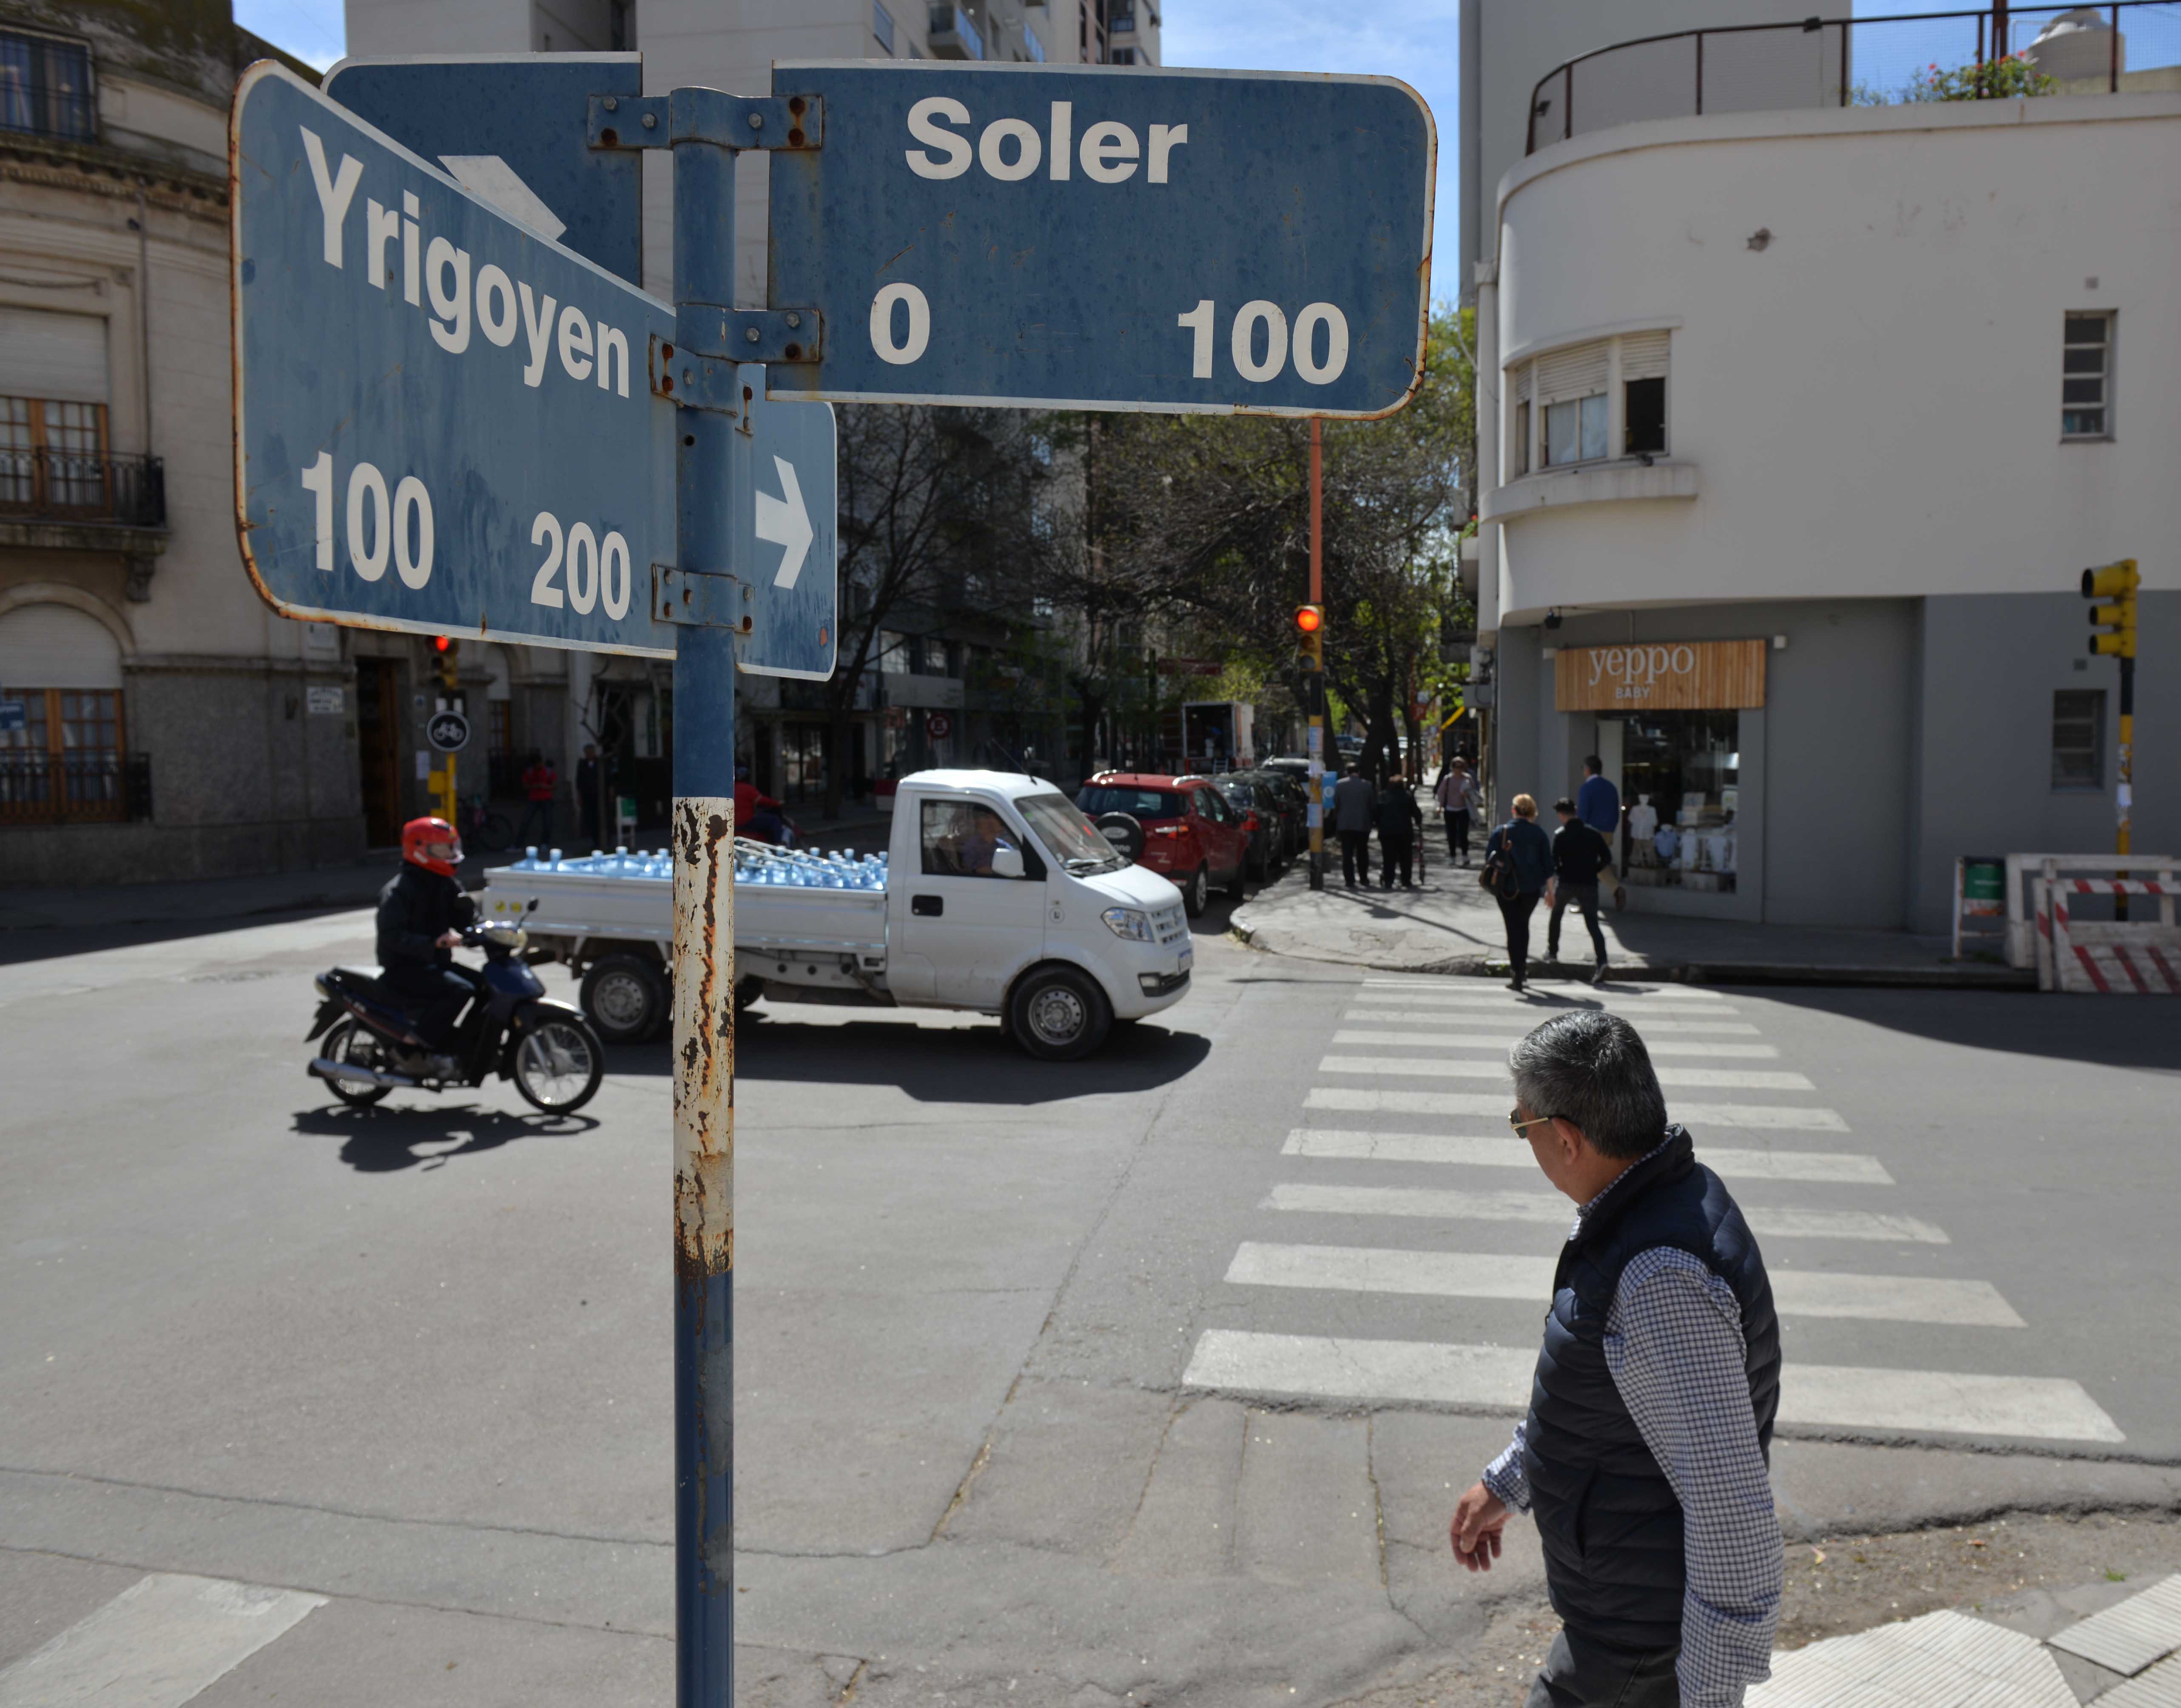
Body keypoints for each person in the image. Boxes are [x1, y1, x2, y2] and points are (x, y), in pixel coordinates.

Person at [1448, 1010, 1783, 1708]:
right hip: (1626, 1619)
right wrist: (1509, 1480)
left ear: (1566, 1139)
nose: (1523, 1138)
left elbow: (1729, 1507)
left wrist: (1708, 1695)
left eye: (1520, 1124)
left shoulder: (1658, 1275)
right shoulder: (1662, 1199)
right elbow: (1610, 1400)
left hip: (1639, 1646)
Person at [375, 815, 482, 1070]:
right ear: (420, 850)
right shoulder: (398, 891)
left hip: (435, 963)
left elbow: (467, 916)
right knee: (460, 990)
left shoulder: (446, 883)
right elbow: (392, 936)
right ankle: (408, 1048)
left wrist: (488, 929)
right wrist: (434, 943)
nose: (451, 854)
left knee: (487, 985)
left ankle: (467, 1047)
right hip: (404, 968)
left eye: (452, 847)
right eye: (444, 849)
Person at [1548, 795, 1621, 985]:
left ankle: (1553, 952)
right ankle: (1602, 961)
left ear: (1562, 815)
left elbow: (1553, 861)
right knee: (1593, 923)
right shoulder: (1593, 834)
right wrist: (1595, 870)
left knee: (1556, 915)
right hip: (1589, 883)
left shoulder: (1561, 834)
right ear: (1576, 812)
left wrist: (1561, 871)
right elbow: (1607, 857)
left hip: (1566, 882)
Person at [1484, 793, 1554, 990]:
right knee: (1523, 926)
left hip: (1506, 889)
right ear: (1532, 812)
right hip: (1531, 890)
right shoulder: (1539, 833)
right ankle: (1521, 970)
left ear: (1514, 810)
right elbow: (1548, 866)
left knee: (1512, 928)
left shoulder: (1501, 832)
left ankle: (1516, 971)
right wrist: (1551, 893)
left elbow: (1489, 859)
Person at [1373, 770, 1423, 890]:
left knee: (1388, 857)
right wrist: (1418, 821)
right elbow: (1416, 812)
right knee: (1405, 857)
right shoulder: (1407, 796)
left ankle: (1389, 881)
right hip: (1404, 832)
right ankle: (1406, 880)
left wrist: (1379, 824)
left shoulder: (1383, 796)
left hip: (1387, 832)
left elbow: (1376, 814)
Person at [1331, 762, 1375, 891]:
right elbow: (1372, 805)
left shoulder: (1339, 785)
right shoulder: (1367, 785)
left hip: (1345, 825)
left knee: (1347, 854)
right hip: (1362, 824)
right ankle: (1364, 878)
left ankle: (1350, 880)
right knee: (1363, 852)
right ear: (1359, 772)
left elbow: (1336, 803)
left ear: (1347, 772)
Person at [1436, 758, 1479, 865]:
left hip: (1463, 809)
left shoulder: (1468, 778)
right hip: (1450, 810)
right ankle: (1453, 856)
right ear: (1452, 768)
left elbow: (1474, 792)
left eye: (1460, 767)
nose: (1458, 769)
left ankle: (1465, 855)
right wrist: (1439, 807)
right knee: (1451, 834)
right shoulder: (1448, 779)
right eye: (1456, 767)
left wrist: (1468, 794)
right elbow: (1441, 793)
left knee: (1463, 833)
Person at [1577, 756, 1621, 846]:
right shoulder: (1611, 787)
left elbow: (1583, 813)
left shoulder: (1587, 788)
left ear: (1587, 769)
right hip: (1608, 831)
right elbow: (1616, 812)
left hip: (1590, 832)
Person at [518, 750, 557, 849]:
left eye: (540, 763)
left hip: (546, 799)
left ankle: (545, 843)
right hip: (533, 799)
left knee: (548, 822)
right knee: (526, 821)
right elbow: (525, 786)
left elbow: (554, 785)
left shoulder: (548, 771)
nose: (538, 766)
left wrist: (544, 787)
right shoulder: (529, 772)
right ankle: (518, 844)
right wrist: (534, 786)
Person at [576, 743, 602, 849]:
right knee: (590, 818)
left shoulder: (600, 762)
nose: (590, 754)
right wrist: (580, 796)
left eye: (591, 752)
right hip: (587, 796)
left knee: (599, 818)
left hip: (599, 796)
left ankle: (603, 840)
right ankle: (595, 840)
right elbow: (579, 781)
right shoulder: (582, 764)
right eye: (588, 752)